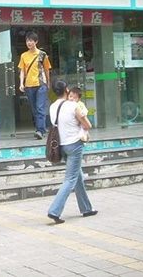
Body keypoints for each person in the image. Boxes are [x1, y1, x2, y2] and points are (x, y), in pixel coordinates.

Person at [47, 80, 97, 224]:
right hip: (74, 145)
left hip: (60, 146)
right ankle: (54, 211)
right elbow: (88, 124)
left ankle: (86, 208)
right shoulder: (73, 106)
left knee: (77, 176)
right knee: (70, 179)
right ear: (67, 90)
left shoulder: (52, 107)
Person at [18, 31, 52, 140]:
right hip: (29, 85)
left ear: (36, 42)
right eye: (27, 41)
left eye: (31, 40)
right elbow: (22, 70)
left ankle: (40, 130)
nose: (29, 43)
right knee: (34, 109)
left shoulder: (42, 55)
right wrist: (21, 83)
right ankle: (40, 128)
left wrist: (48, 82)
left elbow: (47, 69)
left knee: (40, 107)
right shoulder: (24, 56)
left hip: (41, 84)